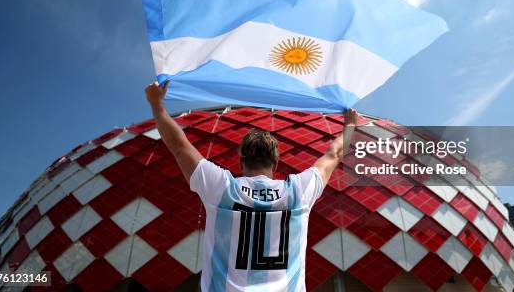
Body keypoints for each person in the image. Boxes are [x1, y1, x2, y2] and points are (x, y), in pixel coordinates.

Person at [145, 81, 358, 292]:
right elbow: (335, 153)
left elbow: (179, 147)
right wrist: (350, 123)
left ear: (241, 162)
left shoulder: (222, 188)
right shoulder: (297, 192)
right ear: (275, 164)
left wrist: (157, 105)